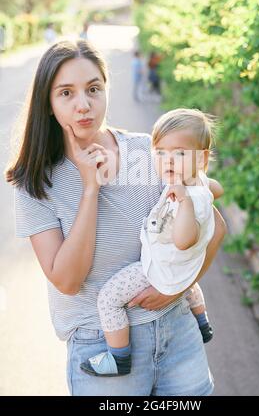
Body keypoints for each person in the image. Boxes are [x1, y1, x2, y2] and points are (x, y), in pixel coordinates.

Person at [5, 40, 226, 396]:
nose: (84, 104)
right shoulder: (35, 181)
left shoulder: (147, 153)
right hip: (103, 346)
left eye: (94, 89)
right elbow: (67, 280)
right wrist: (90, 190)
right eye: (66, 93)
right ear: (47, 102)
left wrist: (177, 287)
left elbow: (214, 229)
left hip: (177, 332)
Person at [80, 108, 223, 377]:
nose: (168, 161)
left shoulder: (187, 198)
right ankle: (201, 320)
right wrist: (201, 187)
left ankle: (118, 357)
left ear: (202, 158)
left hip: (159, 266)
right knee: (188, 278)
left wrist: (184, 201)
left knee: (108, 299)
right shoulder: (195, 182)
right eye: (160, 152)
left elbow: (183, 241)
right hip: (182, 266)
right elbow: (218, 188)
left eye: (179, 153)